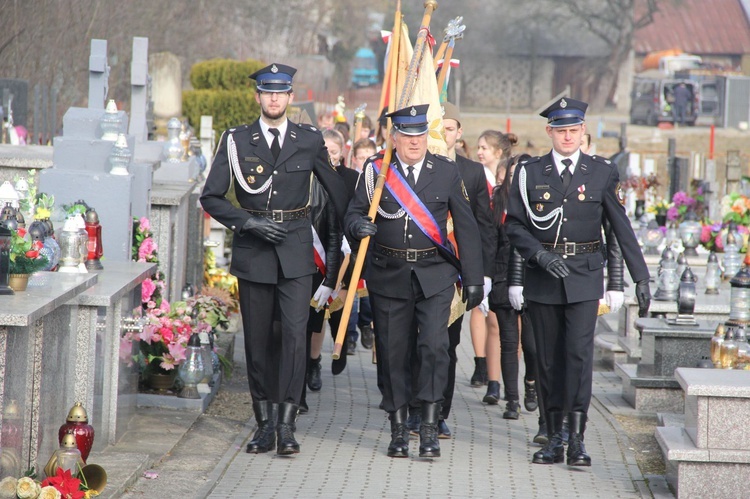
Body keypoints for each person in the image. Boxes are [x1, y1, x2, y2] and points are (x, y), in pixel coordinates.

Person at [200, 63, 349, 456]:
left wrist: (364, 213)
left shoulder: (308, 138)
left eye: (281, 93)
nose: (274, 99)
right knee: (260, 342)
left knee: (296, 339)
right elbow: (211, 196)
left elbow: (337, 190)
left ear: (289, 97)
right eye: (267, 92)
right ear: (258, 97)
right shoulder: (236, 140)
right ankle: (263, 425)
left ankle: (286, 425)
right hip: (255, 249)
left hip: (297, 248)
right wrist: (247, 222)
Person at [505, 97, 651, 467]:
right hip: (544, 276)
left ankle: (577, 438)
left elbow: (620, 227)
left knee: (578, 356)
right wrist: (539, 256)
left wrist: (640, 277)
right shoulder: (530, 173)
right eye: (561, 130)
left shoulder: (601, 172)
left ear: (583, 132)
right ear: (549, 132)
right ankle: (554, 437)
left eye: (574, 130)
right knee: (549, 360)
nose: (568, 137)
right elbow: (515, 226)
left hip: (585, 274)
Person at [345, 104, 484, 459]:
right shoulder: (377, 170)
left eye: (420, 134)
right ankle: (397, 427)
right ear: (395, 138)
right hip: (388, 274)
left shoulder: (445, 171)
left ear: (427, 136)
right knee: (393, 353)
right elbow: (355, 212)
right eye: (407, 135)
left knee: (435, 348)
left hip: (434, 275)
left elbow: (466, 226)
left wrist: (473, 277)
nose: (414, 141)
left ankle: (428, 426)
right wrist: (357, 225)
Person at [406, 102, 496, 438]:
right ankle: (415, 410)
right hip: (418, 269)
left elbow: (482, 227)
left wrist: (480, 275)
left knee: (444, 344)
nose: (443, 133)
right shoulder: (413, 167)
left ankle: (439, 411)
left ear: (459, 134)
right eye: (438, 127)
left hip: (454, 273)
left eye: (450, 128)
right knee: (417, 343)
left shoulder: (472, 173)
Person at [488, 154, 540, 421]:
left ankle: (531, 381)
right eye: (511, 174)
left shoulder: (541, 200)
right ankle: (512, 400)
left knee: (531, 344)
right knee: (509, 342)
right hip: (502, 276)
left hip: (533, 280)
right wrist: (486, 279)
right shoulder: (498, 201)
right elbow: (489, 241)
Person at [471, 130, 518, 408]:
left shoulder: (510, 189)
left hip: (515, 269)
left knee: (515, 337)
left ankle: (525, 384)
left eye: (485, 147)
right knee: (493, 325)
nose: (480, 152)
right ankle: (492, 379)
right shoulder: (482, 182)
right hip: (494, 268)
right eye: (478, 147)